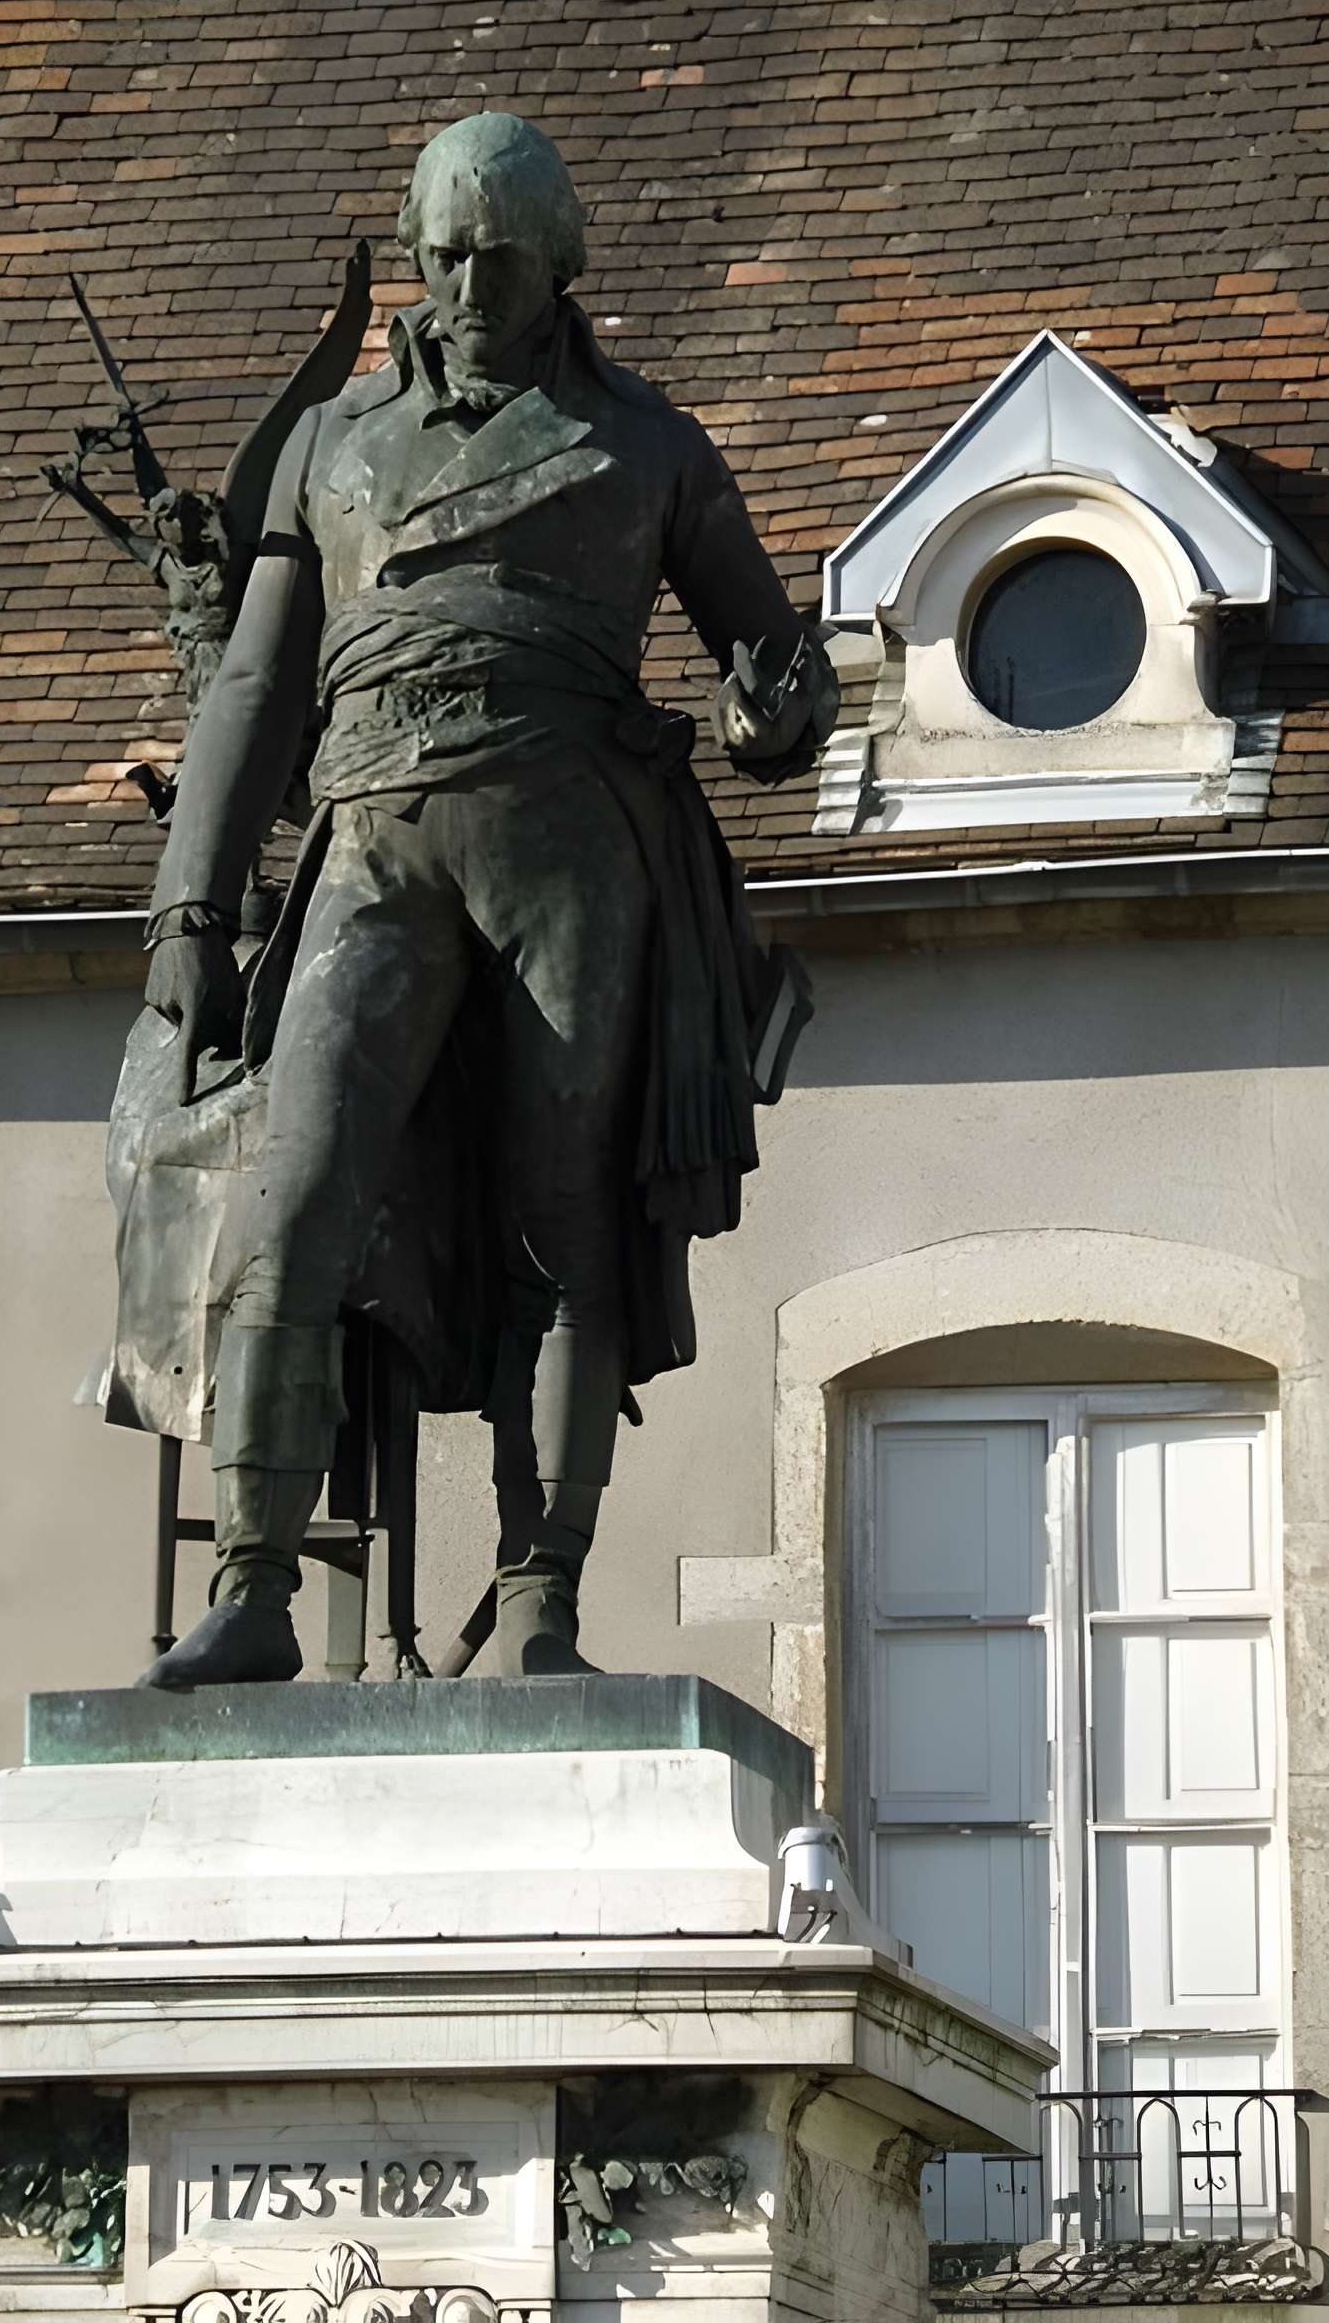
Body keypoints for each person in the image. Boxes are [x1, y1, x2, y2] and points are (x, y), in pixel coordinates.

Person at [134, 111, 835, 1688]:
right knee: (292, 1192)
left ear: (564, 257)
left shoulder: (650, 443)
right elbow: (254, 684)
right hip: (372, 831)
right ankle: (253, 1582)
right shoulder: (334, 444)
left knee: (563, 1219)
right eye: (441, 248)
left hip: (571, 841)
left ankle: (540, 1598)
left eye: (498, 253)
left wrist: (778, 716)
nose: (465, 280)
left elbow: (766, 668)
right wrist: (188, 908)